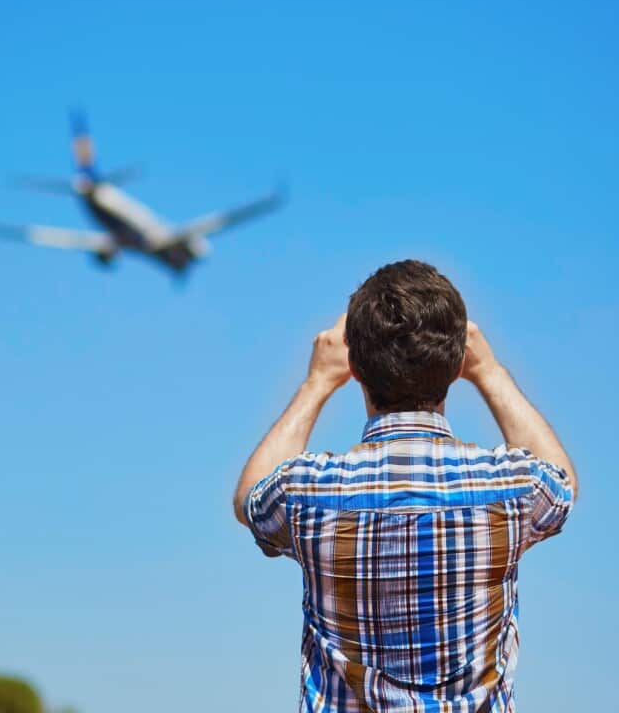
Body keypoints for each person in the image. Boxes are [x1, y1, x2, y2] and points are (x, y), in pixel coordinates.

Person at [233, 260, 577, 713]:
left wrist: (316, 383)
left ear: (355, 367)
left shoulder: (307, 494)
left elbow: (249, 497)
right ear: (458, 363)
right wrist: (490, 371)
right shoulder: (512, 488)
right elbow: (562, 482)